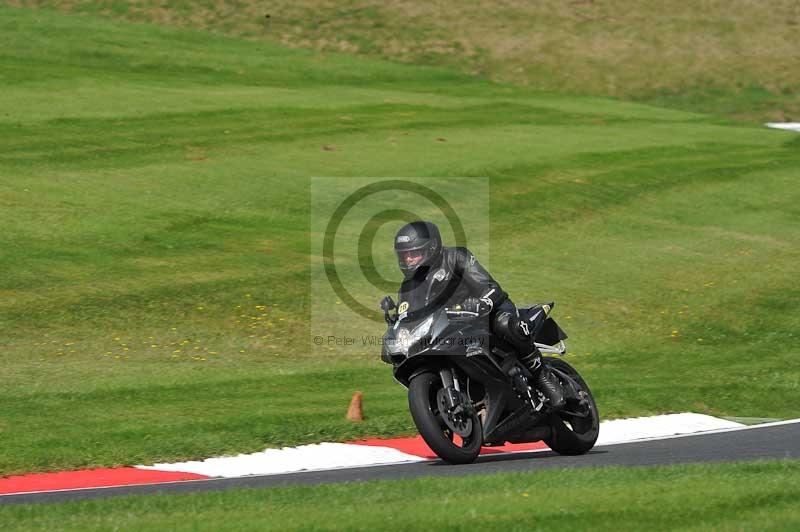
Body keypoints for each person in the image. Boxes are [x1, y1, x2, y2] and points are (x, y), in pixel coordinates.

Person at [392, 220, 565, 409]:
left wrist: (483, 302)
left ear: (432, 247)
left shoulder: (455, 257)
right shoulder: (407, 287)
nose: (408, 259)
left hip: (485, 313)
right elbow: (407, 317)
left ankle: (542, 374)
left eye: (413, 253)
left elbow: (489, 287)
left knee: (506, 325)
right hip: (449, 331)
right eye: (404, 255)